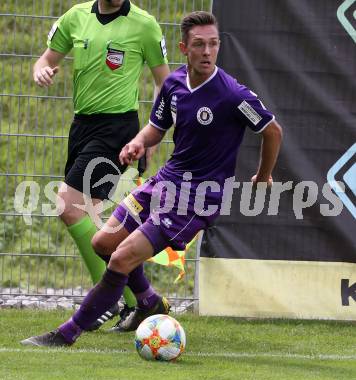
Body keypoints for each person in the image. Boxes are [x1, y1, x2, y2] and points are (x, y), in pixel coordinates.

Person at [21, 10, 282, 347]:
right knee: (103, 243)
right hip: (164, 183)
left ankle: (67, 333)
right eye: (199, 45)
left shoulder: (232, 95)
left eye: (213, 44)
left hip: (196, 198)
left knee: (121, 258)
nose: (207, 52)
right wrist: (137, 143)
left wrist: (263, 175)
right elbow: (156, 129)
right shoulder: (174, 84)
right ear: (183, 48)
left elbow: (272, 130)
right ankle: (148, 302)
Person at [33, 0, 170, 330]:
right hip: (81, 126)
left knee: (68, 205)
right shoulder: (75, 17)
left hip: (117, 128)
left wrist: (148, 136)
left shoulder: (144, 24)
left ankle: (107, 297)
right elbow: (46, 59)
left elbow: (164, 83)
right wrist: (41, 69)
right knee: (89, 216)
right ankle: (143, 299)